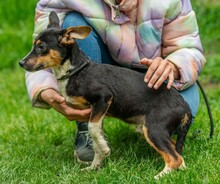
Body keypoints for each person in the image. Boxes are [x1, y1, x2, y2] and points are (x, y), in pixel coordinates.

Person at [25, 0, 205, 162]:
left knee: (178, 112)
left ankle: (154, 131)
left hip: (156, 78)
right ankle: (89, 130)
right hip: (101, 69)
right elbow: (39, 51)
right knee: (73, 22)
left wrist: (173, 65)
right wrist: (44, 89)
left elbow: (189, 47)